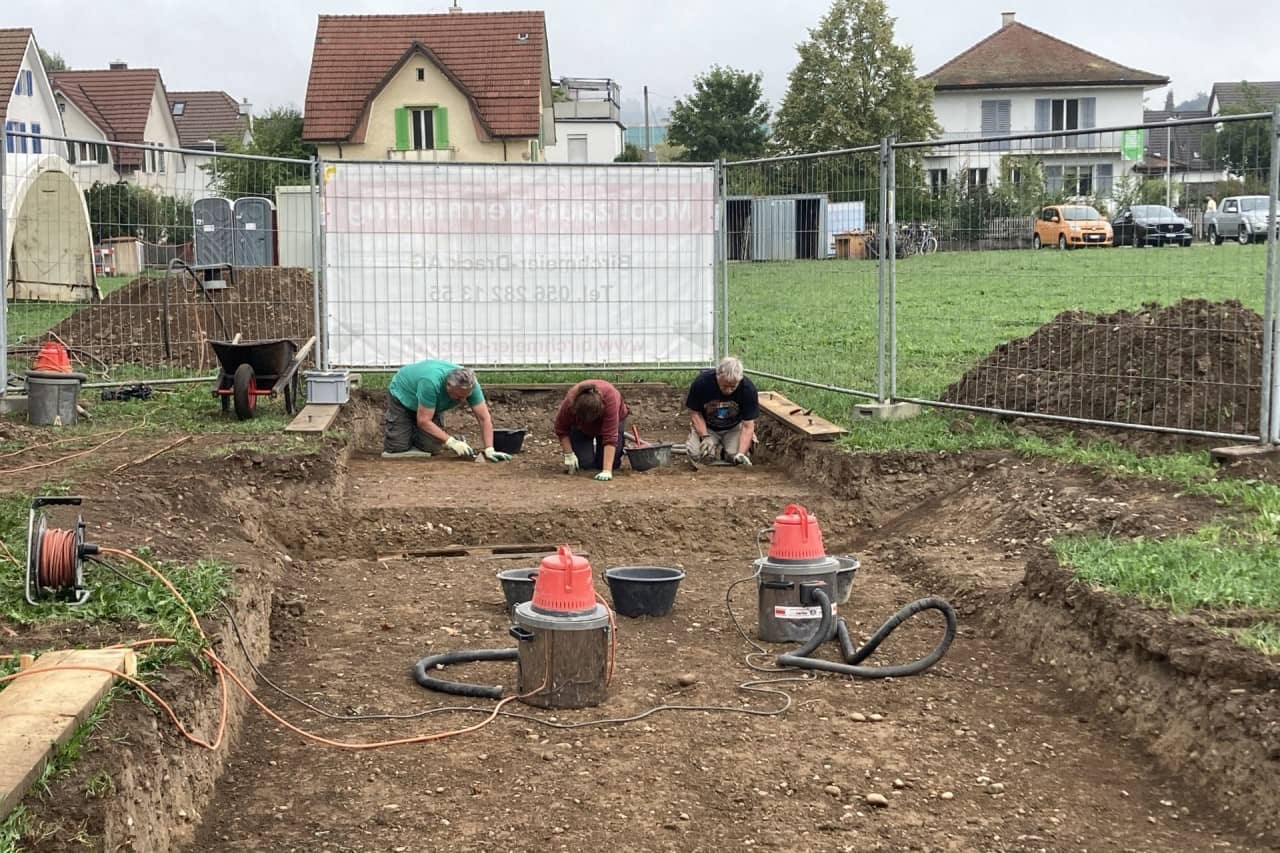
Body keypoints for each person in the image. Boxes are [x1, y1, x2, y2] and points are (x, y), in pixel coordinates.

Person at [383, 360, 511, 462]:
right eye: (458, 396)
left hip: (431, 405)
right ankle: (405, 428)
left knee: (431, 448)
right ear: (447, 386)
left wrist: (490, 448)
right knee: (397, 448)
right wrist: (451, 442)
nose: (462, 400)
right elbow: (423, 421)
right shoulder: (431, 383)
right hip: (404, 395)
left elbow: (484, 418)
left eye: (466, 396)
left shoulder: (470, 384)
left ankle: (416, 433)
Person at [685, 356, 759, 466]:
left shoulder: (748, 389)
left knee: (737, 460)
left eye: (733, 387)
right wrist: (704, 436)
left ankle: (729, 452)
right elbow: (695, 412)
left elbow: (748, 426)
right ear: (717, 376)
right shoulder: (702, 383)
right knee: (698, 455)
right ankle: (708, 447)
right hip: (708, 427)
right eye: (724, 386)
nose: (728, 390)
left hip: (734, 428)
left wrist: (741, 453)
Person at [553, 380, 629, 482]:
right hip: (580, 428)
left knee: (611, 464)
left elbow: (610, 436)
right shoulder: (570, 403)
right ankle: (591, 447)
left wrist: (607, 470)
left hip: (612, 421)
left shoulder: (610, 400)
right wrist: (569, 454)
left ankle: (606, 449)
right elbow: (561, 429)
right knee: (585, 464)